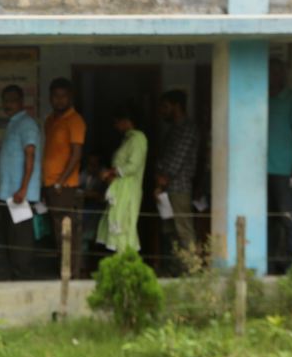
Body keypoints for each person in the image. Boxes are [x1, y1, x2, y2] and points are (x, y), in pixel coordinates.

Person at [42, 77, 86, 277]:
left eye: (63, 96)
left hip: (65, 186)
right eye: (55, 96)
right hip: (50, 184)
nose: (59, 100)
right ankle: (63, 271)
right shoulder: (50, 120)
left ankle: (71, 274)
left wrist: (61, 181)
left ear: (70, 97)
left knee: (67, 231)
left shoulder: (75, 120)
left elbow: (76, 154)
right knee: (57, 230)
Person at [0, 85, 42, 280]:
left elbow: (30, 155)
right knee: (12, 236)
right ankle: (15, 275)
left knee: (21, 238)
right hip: (11, 194)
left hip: (21, 195)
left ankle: (24, 277)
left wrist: (23, 189)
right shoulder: (14, 123)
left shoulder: (26, 124)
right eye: (5, 100)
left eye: (12, 100)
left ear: (21, 101)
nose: (8, 104)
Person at [267, 58, 292, 273]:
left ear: (283, 75)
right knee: (266, 220)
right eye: (269, 72)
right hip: (260, 171)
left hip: (284, 170)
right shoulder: (260, 97)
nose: (272, 76)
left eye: (276, 72)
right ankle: (267, 266)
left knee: (289, 219)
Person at [96, 105, 148, 253]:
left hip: (128, 189)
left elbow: (133, 166)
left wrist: (110, 172)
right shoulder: (128, 139)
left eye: (116, 122)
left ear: (126, 121)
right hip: (120, 189)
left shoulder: (138, 138)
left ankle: (126, 259)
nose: (115, 126)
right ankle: (120, 259)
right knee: (117, 222)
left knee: (125, 225)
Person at [155, 90, 200, 256]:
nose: (162, 111)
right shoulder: (175, 129)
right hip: (168, 188)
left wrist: (161, 179)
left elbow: (176, 160)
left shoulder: (187, 129)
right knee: (170, 231)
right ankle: (176, 266)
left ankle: (191, 267)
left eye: (165, 106)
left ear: (177, 106)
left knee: (183, 230)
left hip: (179, 188)